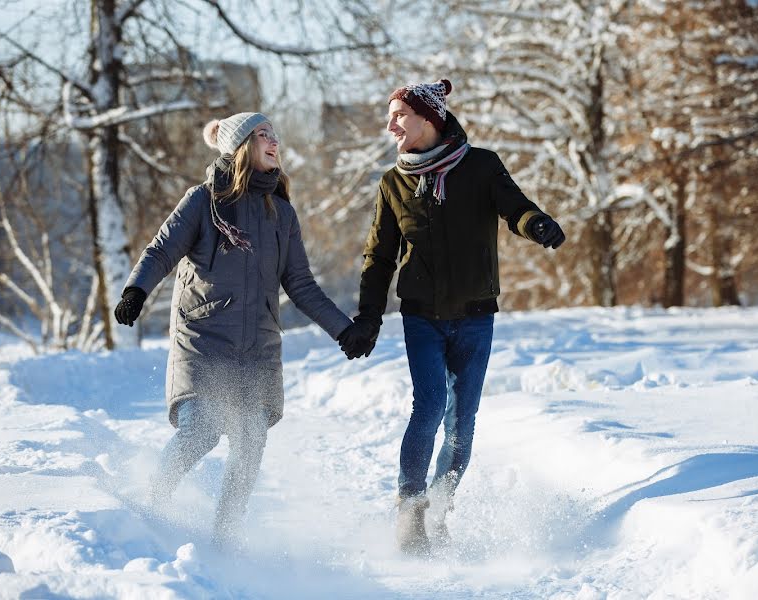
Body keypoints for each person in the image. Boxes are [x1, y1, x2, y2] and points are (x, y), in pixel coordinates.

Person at [337, 79, 565, 554]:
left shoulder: (480, 165)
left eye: (398, 114)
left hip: (477, 315)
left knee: (462, 422)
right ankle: (411, 508)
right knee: (428, 408)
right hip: (421, 316)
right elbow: (378, 257)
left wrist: (537, 223)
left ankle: (441, 508)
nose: (390, 124)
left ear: (428, 118)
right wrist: (368, 318)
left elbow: (515, 208)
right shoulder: (393, 182)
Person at [114, 112, 355, 549]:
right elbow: (162, 249)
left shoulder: (281, 212)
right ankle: (149, 513)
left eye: (275, 135)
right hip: (204, 339)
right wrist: (136, 291)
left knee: (250, 443)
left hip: (258, 347)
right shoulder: (203, 201)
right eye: (263, 134)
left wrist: (344, 331)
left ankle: (224, 540)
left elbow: (300, 284)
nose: (274, 141)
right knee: (201, 428)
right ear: (240, 146)